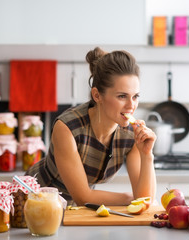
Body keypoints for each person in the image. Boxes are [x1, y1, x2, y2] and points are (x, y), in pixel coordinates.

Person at [26, 47, 157, 206]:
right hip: (34, 202)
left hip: (79, 212)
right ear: (97, 95)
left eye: (135, 96)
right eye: (122, 96)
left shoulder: (132, 135)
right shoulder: (67, 127)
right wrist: (130, 199)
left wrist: (147, 155)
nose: (131, 105)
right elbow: (83, 197)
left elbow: (145, 200)